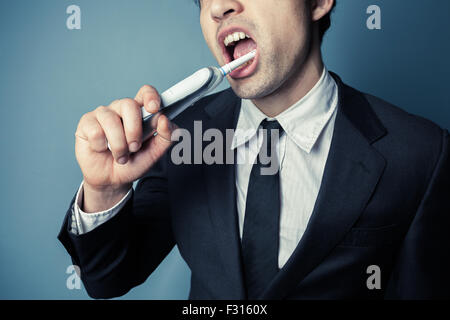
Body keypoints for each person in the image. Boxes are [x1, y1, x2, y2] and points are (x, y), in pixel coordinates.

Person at [58, 0, 450, 299]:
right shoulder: (179, 135)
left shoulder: (420, 152)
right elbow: (108, 278)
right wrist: (105, 191)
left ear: (318, 2)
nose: (217, 8)